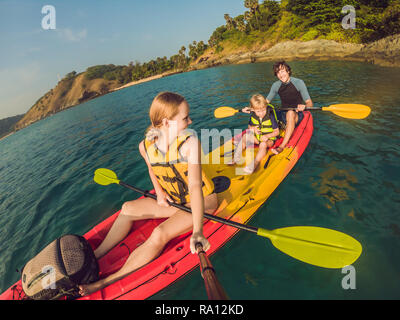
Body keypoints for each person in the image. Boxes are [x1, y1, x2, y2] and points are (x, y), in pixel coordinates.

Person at [78, 92, 218, 296]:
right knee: (127, 209)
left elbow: (195, 186)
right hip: (175, 201)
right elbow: (153, 169)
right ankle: (96, 256)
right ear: (167, 122)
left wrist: (198, 231)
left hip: (203, 202)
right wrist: (160, 193)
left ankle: (105, 282)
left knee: (159, 233)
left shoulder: (189, 144)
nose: (191, 120)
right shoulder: (145, 146)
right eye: (185, 118)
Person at [242, 61, 313, 154]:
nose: (281, 74)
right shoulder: (276, 85)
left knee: (290, 113)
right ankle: (256, 137)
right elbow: (265, 103)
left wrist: (305, 106)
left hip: (296, 113)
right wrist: (251, 109)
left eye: (282, 71)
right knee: (270, 111)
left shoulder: (299, 83)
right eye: (278, 72)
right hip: (282, 113)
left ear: (288, 71)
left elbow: (309, 103)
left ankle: (282, 146)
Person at [229, 94, 279, 174]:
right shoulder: (253, 115)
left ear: (266, 107)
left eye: (263, 110)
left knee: (263, 144)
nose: (261, 113)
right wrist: (253, 129)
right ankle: (236, 157)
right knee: (245, 136)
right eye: (258, 111)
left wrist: (267, 136)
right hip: (257, 138)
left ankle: (255, 163)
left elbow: (277, 132)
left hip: (268, 140)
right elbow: (249, 126)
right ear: (253, 110)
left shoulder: (270, 115)